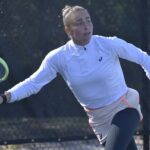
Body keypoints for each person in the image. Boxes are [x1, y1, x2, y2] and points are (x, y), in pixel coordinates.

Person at [0, 5, 149, 150]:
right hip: (99, 120)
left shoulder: (109, 44)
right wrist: (6, 97)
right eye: (79, 22)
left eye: (88, 20)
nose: (86, 25)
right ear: (68, 30)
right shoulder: (58, 58)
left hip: (124, 107)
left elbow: (143, 58)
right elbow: (33, 83)